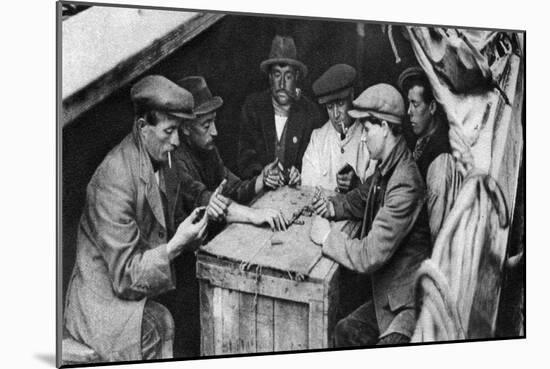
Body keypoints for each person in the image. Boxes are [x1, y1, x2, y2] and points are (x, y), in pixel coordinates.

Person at [63, 75, 209, 361]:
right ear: (143, 127)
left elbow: (166, 225)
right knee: (159, 324)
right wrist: (177, 245)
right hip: (102, 303)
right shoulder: (114, 179)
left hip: (135, 288)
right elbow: (126, 277)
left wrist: (189, 237)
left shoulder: (162, 160)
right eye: (169, 131)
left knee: (185, 306)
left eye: (179, 130)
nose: (177, 140)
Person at [163, 75, 288, 357]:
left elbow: (229, 185)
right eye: (206, 125)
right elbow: (207, 200)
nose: (215, 131)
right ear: (184, 129)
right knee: (193, 338)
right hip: (181, 268)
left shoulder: (207, 150)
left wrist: (260, 181)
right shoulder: (175, 161)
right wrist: (256, 216)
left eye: (214, 122)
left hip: (206, 253)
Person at [311, 83, 431, 347]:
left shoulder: (405, 182)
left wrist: (327, 237)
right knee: (343, 329)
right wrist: (333, 206)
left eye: (366, 129)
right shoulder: (389, 166)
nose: (363, 138)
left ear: (386, 128)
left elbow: (368, 255)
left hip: (404, 307)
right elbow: (364, 196)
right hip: (386, 294)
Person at [237, 35, 321, 185]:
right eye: (277, 75)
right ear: (269, 76)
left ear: (296, 76)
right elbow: (246, 157)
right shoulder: (253, 107)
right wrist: (262, 176)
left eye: (288, 76)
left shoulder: (310, 113)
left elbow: (317, 161)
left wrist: (301, 173)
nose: (282, 83)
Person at [398, 66, 462, 241]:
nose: (409, 111)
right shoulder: (422, 139)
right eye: (408, 103)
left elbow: (438, 233)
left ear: (432, 106)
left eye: (415, 104)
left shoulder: (440, 161)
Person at [302, 63, 374, 193]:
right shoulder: (317, 139)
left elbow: (375, 194)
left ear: (351, 96)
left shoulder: (369, 135)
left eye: (340, 104)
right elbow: (307, 189)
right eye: (330, 107)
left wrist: (357, 185)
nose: (336, 115)